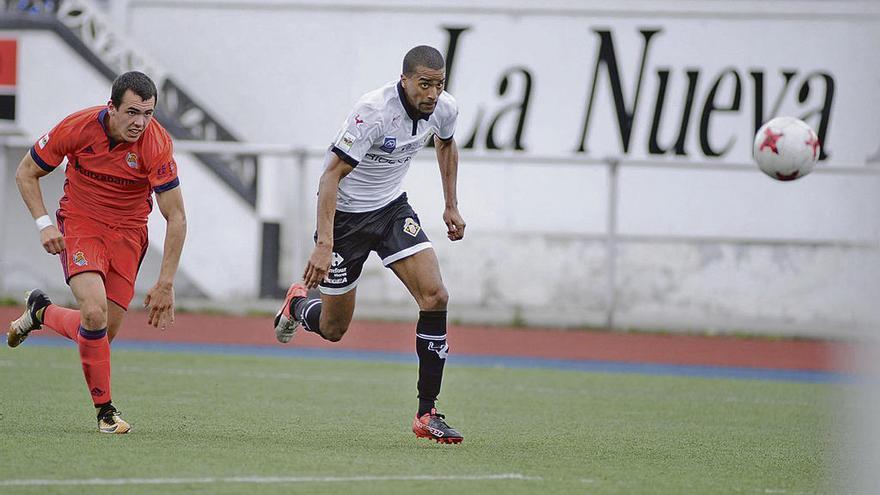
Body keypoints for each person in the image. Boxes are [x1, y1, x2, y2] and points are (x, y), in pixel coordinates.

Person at [274, 45, 466, 444]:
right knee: (333, 328)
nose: (432, 94)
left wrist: (451, 205)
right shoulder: (373, 112)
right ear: (405, 80)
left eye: (438, 84)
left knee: (436, 296)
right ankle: (296, 305)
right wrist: (324, 244)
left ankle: (426, 412)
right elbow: (330, 178)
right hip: (345, 221)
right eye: (424, 84)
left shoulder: (445, 108)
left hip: (393, 210)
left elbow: (445, 143)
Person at [7, 71, 186, 434]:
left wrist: (166, 282)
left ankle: (41, 312)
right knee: (93, 311)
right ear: (112, 108)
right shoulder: (77, 128)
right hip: (82, 223)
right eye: (133, 112)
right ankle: (106, 413)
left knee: (101, 332)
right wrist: (45, 224)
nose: (140, 122)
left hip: (129, 235)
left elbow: (176, 216)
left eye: (148, 113)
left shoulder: (156, 143)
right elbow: (26, 172)